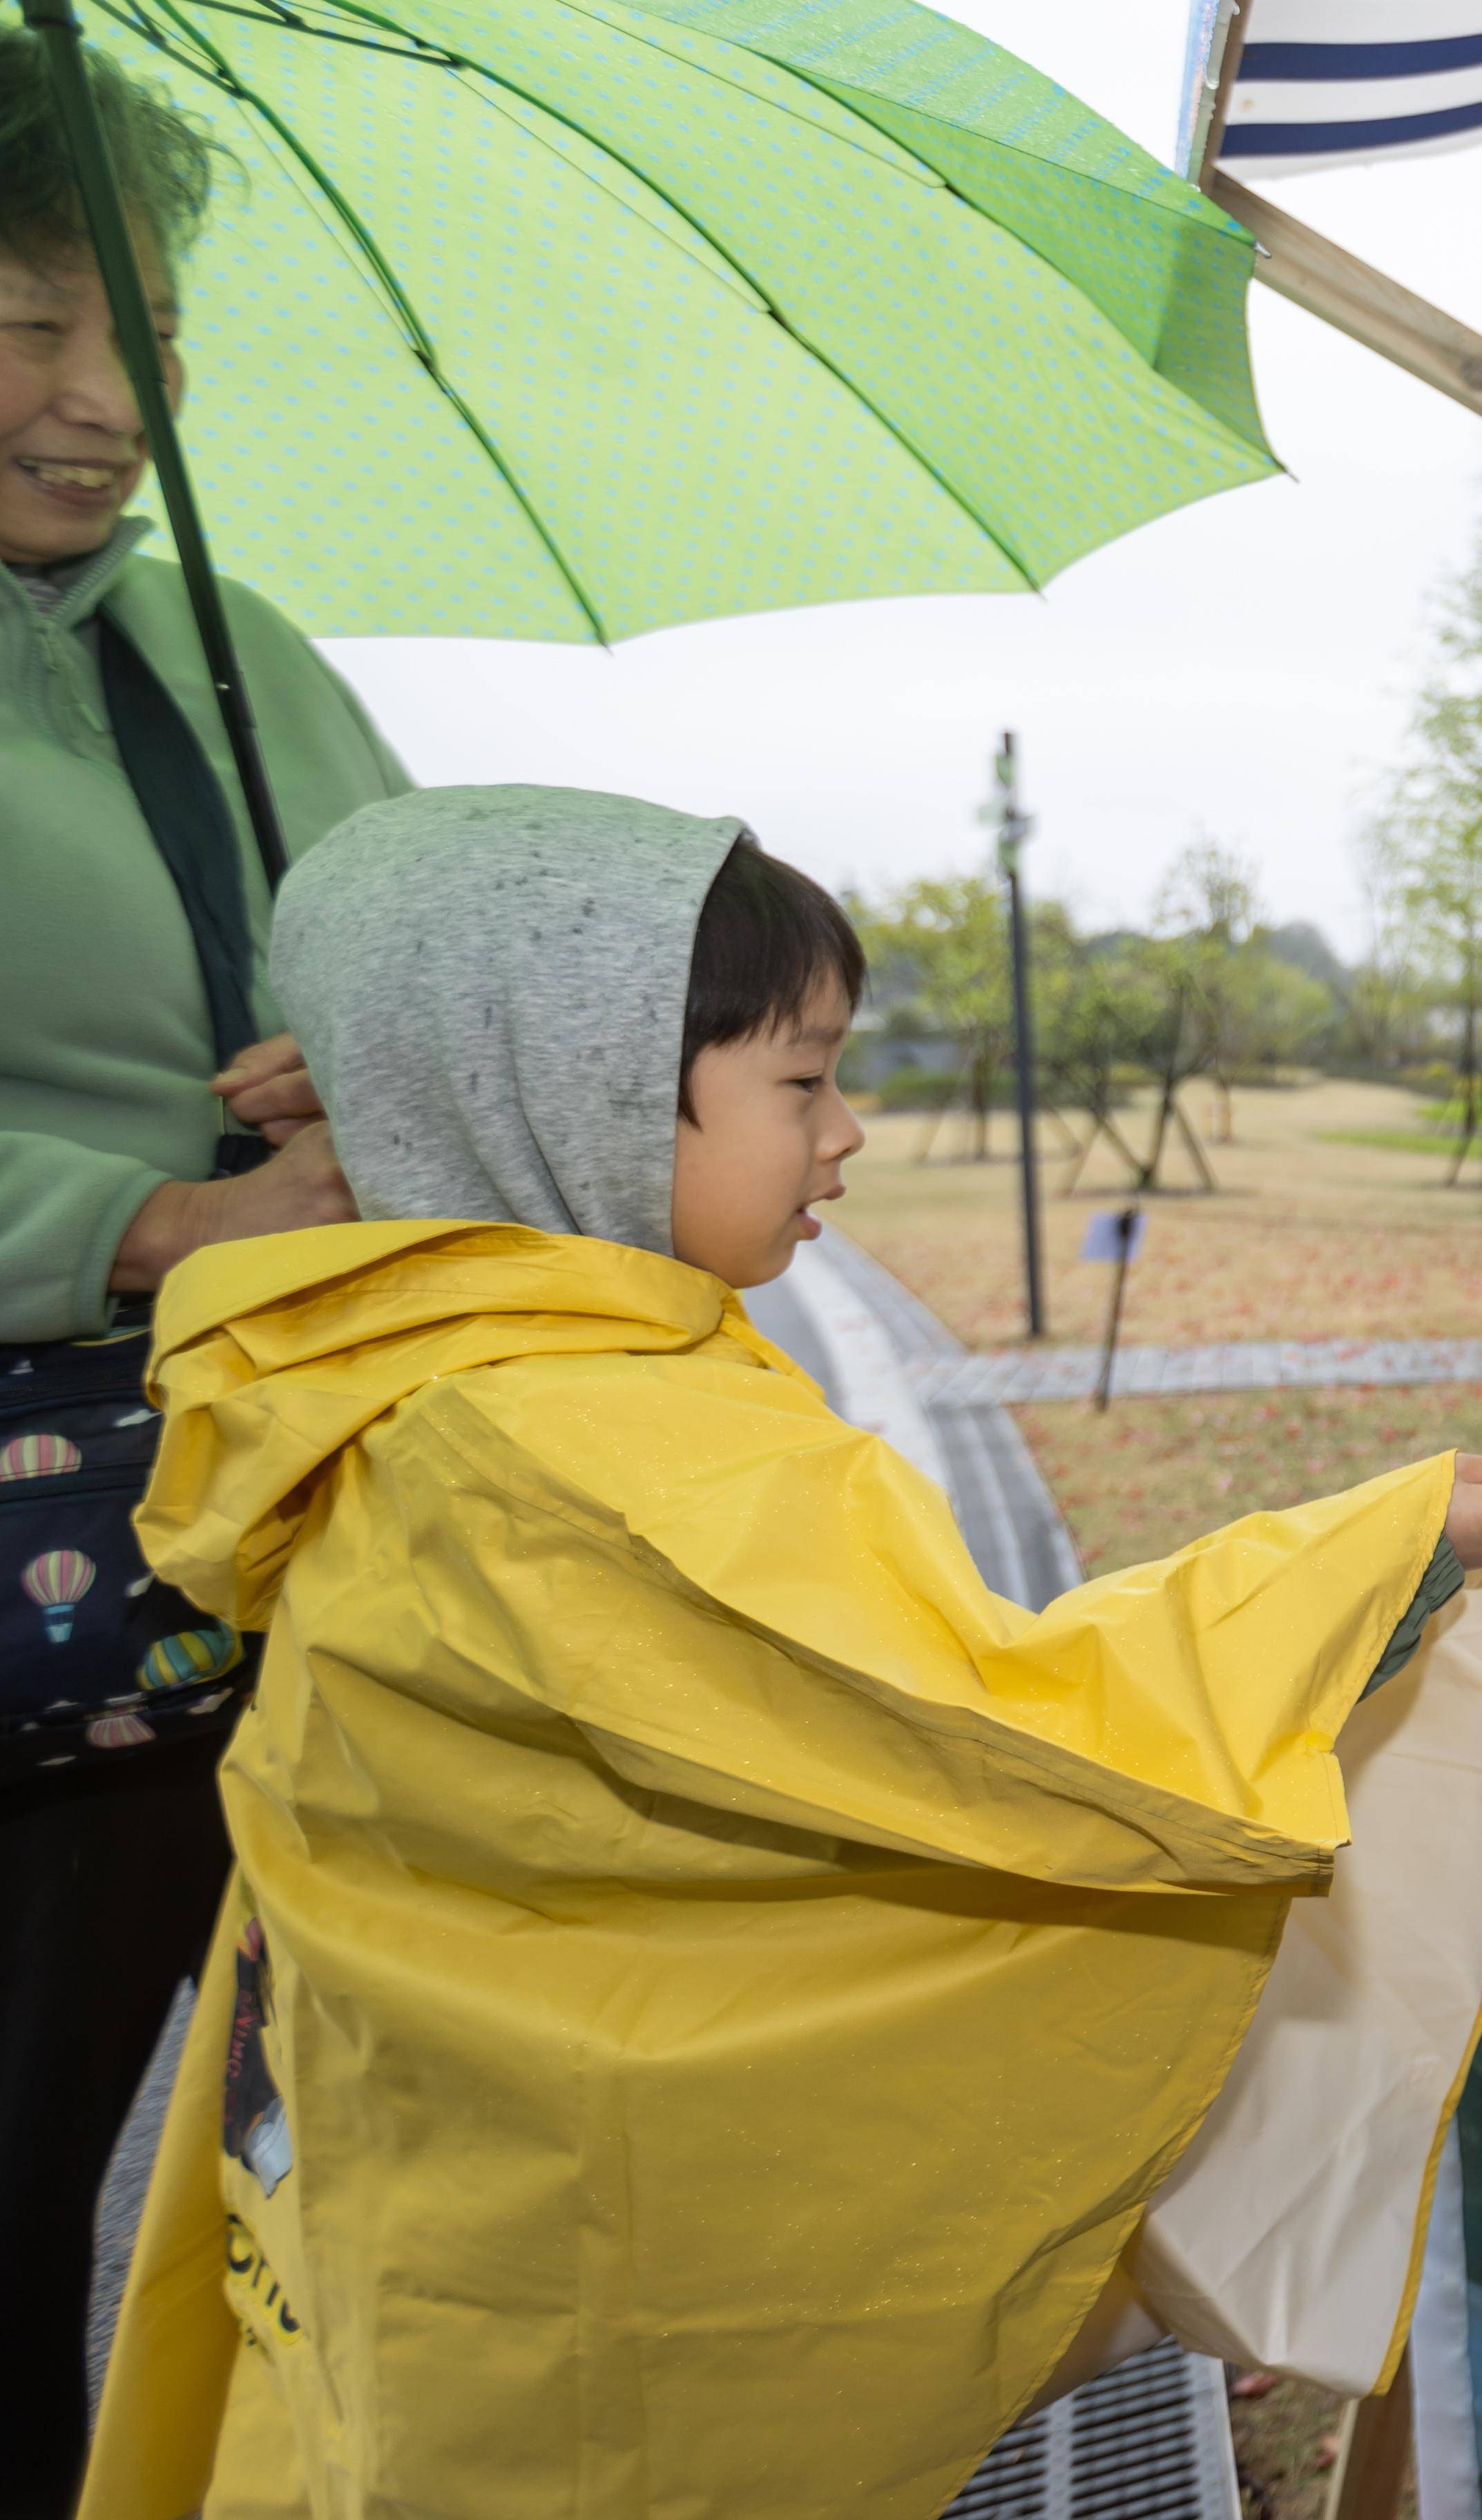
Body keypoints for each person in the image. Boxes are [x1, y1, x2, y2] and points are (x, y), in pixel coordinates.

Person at [81, 790, 1482, 2517]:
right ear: (573, 1096)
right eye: (802, 1081)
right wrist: (1373, 1560)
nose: (847, 1131)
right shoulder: (591, 1451)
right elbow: (994, 1736)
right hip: (564, 2345)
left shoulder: (401, 1369)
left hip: (407, 2223)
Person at [0, 41, 404, 2511]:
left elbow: (442, 996)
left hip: (201, 1590)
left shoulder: (228, 650)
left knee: (184, 2172)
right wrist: (141, 1216)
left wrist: (369, 1091)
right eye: (32, 324)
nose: (104, 397)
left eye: (140, 328)